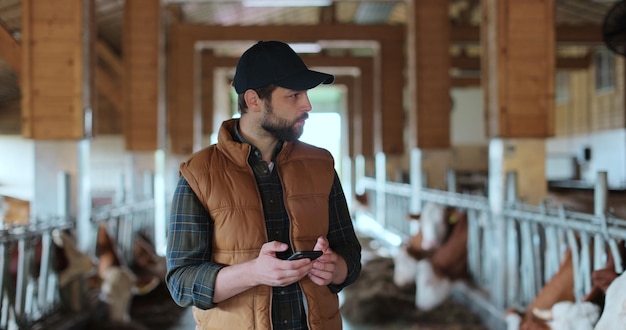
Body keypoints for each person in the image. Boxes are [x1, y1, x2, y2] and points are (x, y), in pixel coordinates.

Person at [165, 40, 362, 330]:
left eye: (305, 94)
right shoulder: (199, 175)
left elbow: (351, 254)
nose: (307, 105)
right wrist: (254, 273)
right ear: (254, 100)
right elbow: (181, 283)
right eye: (293, 95)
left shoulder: (321, 165)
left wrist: (337, 268)